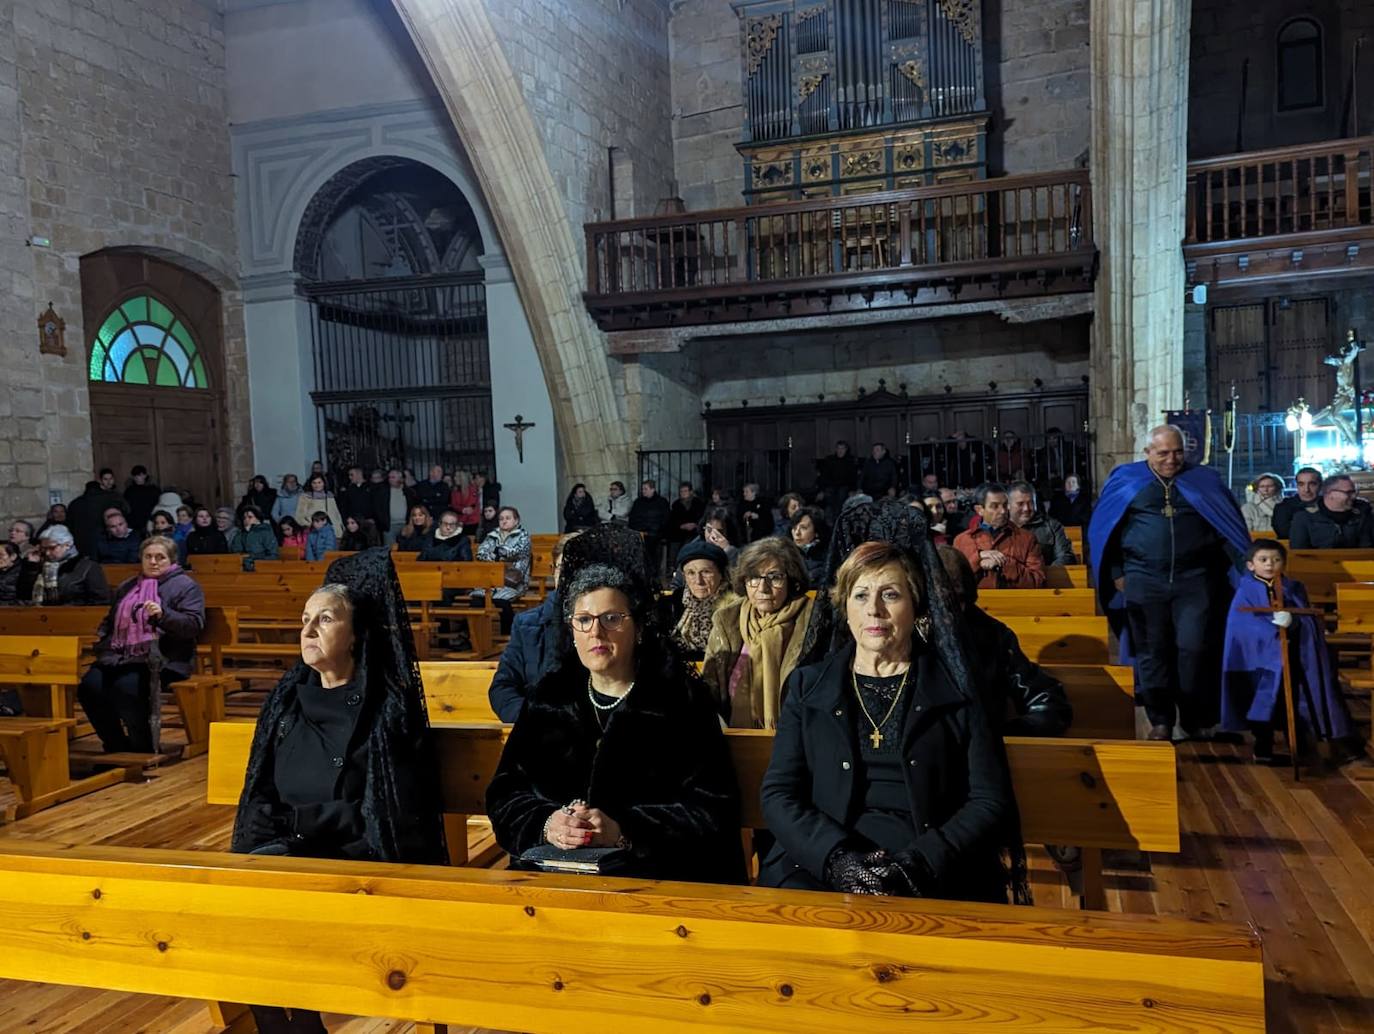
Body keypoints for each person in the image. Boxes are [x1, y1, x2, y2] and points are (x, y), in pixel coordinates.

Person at [232, 550, 447, 1032]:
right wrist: (259, 838)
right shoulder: (286, 697)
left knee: (276, 910)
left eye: (324, 619)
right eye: (304, 619)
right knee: (236, 911)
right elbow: (257, 787)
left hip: (360, 861)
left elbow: (387, 816)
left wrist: (299, 824)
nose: (307, 631)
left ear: (356, 635)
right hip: (286, 855)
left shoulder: (388, 707)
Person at [759, 520, 1026, 904]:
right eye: (861, 595)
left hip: (934, 873)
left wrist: (921, 862)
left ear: (916, 605)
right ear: (844, 607)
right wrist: (837, 859)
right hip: (819, 868)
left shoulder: (959, 689)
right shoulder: (807, 686)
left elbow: (989, 800)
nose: (875, 611)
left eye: (890, 594)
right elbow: (779, 794)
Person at [485, 560, 744, 885]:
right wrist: (548, 823)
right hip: (551, 879)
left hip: (654, 882)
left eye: (611, 618)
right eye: (584, 620)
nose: (596, 631)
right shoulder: (548, 698)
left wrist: (624, 829)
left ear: (637, 627)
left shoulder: (681, 700)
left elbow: (712, 808)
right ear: (571, 630)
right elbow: (505, 793)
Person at [1089, 424, 1251, 741]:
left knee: (1194, 649)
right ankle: (1160, 720)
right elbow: (1107, 532)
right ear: (1148, 452)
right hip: (1143, 577)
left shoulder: (1204, 481)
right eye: (1162, 453)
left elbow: (1226, 530)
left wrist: (1249, 568)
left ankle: (1194, 717)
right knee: (1151, 651)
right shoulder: (1127, 480)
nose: (1171, 459)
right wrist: (1116, 574)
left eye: (1177, 452)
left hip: (1196, 579)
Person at [1220, 541, 1354, 764]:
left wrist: (1293, 622)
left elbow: (1308, 619)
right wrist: (1271, 628)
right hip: (1261, 661)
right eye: (1263, 560)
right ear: (1251, 565)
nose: (1270, 565)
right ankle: (1263, 745)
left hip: (1293, 655)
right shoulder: (1245, 591)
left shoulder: (1294, 588)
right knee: (1262, 701)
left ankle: (1301, 740)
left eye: (1276, 560)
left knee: (1293, 697)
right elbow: (1241, 625)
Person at [77, 535, 205, 754]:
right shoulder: (128, 586)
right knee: (90, 687)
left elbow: (193, 625)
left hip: (165, 658)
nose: (153, 562)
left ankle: (142, 746)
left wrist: (163, 615)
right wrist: (106, 646)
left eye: (160, 557)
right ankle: (115, 744)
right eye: (148, 557)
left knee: (127, 688)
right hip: (120, 655)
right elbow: (110, 621)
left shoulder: (185, 586)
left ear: (172, 560)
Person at [937, 546, 1073, 736]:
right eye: (938, 603)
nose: (946, 615)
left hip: (980, 746)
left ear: (967, 600)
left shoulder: (993, 635)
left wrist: (1002, 737)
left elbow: (1046, 701)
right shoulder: (905, 635)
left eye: (956, 601)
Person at [702, 536, 814, 728]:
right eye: (753, 577)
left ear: (792, 580)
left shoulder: (812, 621)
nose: (763, 588)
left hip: (797, 737)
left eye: (775, 577)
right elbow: (709, 689)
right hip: (734, 738)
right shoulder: (727, 619)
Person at [488, 532, 581, 722]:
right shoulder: (526, 624)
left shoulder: (608, 625)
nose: (570, 577)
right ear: (553, 570)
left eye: (579, 568)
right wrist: (533, 721)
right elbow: (502, 687)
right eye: (564, 568)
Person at [952, 483, 1046, 589]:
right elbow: (955, 583)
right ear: (979, 510)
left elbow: (1038, 581)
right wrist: (978, 559)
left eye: (1005, 505)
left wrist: (1004, 563)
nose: (1003, 511)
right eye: (995, 506)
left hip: (1015, 602)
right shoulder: (961, 540)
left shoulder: (1027, 538)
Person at [17, 525, 110, 606]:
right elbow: (24, 595)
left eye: (52, 548)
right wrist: (31, 567)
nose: (47, 553)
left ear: (67, 545)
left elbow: (100, 600)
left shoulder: (88, 567)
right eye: (44, 549)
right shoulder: (39, 565)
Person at [671, 538, 731, 658]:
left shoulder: (735, 608)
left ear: (721, 574)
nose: (699, 581)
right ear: (684, 576)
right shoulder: (670, 605)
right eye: (691, 573)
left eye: (706, 572)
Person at [475, 506, 532, 634]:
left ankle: (507, 634)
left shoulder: (523, 536)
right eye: (501, 519)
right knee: (476, 599)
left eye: (508, 518)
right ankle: (478, 636)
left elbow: (516, 553)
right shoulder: (492, 536)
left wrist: (496, 553)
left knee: (501, 600)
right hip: (491, 581)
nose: (504, 521)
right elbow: (481, 553)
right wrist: (499, 555)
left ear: (516, 520)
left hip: (514, 581)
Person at [1288, 475, 1374, 549]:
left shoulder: (1362, 515)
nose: (1354, 496)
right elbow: (1299, 553)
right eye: (1348, 492)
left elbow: (1366, 549)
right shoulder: (1304, 517)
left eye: (1354, 492)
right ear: (1330, 494)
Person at [1007, 481, 1076, 567]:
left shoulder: (1052, 525)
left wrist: (1044, 573)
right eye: (1020, 504)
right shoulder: (999, 527)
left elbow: (1066, 556)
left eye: (1030, 503)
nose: (1026, 508)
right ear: (1008, 505)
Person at [67, 478, 123, 558]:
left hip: (80, 540)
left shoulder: (75, 503)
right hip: (101, 539)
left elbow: (69, 524)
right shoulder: (108, 499)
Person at [628, 479, 671, 578]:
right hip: (639, 533)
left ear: (652, 489)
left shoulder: (661, 502)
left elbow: (665, 520)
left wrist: (652, 531)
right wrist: (639, 530)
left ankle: (653, 575)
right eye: (642, 489)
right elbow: (633, 518)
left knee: (653, 554)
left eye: (645, 489)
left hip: (655, 535)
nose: (643, 491)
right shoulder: (638, 502)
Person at [1271, 467, 1322, 539]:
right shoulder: (1283, 508)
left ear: (1320, 485)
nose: (1306, 490)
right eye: (1301, 484)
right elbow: (1284, 533)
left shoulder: (1331, 505)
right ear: (1297, 486)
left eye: (1312, 484)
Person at [816, 441, 858, 521]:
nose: (840, 450)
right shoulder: (829, 460)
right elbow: (823, 477)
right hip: (830, 486)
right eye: (838, 448)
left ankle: (838, 520)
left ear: (846, 450)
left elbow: (853, 477)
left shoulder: (850, 461)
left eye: (842, 448)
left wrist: (853, 490)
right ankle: (830, 522)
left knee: (841, 495)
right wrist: (821, 490)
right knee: (829, 496)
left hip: (844, 486)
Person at [666, 482, 704, 566]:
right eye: (681, 491)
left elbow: (702, 518)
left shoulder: (698, 504)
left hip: (694, 532)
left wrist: (695, 525)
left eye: (685, 491)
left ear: (691, 492)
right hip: (678, 532)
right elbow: (672, 521)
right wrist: (681, 526)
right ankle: (673, 567)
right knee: (674, 546)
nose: (683, 493)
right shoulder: (676, 505)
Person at [789, 505, 828, 585]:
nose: (797, 533)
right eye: (794, 528)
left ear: (816, 532)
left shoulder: (828, 556)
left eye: (803, 528)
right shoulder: (786, 553)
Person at [294, 473, 342, 537]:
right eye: (314, 483)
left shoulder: (329, 495)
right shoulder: (305, 497)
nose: (317, 485)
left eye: (319, 482)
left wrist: (341, 527)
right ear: (310, 484)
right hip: (315, 531)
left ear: (324, 483)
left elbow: (336, 514)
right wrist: (311, 525)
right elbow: (299, 516)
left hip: (333, 530)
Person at [375, 469, 414, 544]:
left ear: (401, 478)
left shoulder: (409, 492)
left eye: (393, 477)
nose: (390, 479)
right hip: (389, 526)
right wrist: (383, 523)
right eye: (389, 477)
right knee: (389, 550)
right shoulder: (382, 492)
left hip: (405, 525)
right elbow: (378, 509)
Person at [123, 465, 160, 533]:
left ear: (145, 475)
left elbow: (157, 504)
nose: (137, 478)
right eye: (135, 476)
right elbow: (126, 506)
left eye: (139, 475)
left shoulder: (153, 490)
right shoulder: (129, 491)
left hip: (150, 519)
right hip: (134, 522)